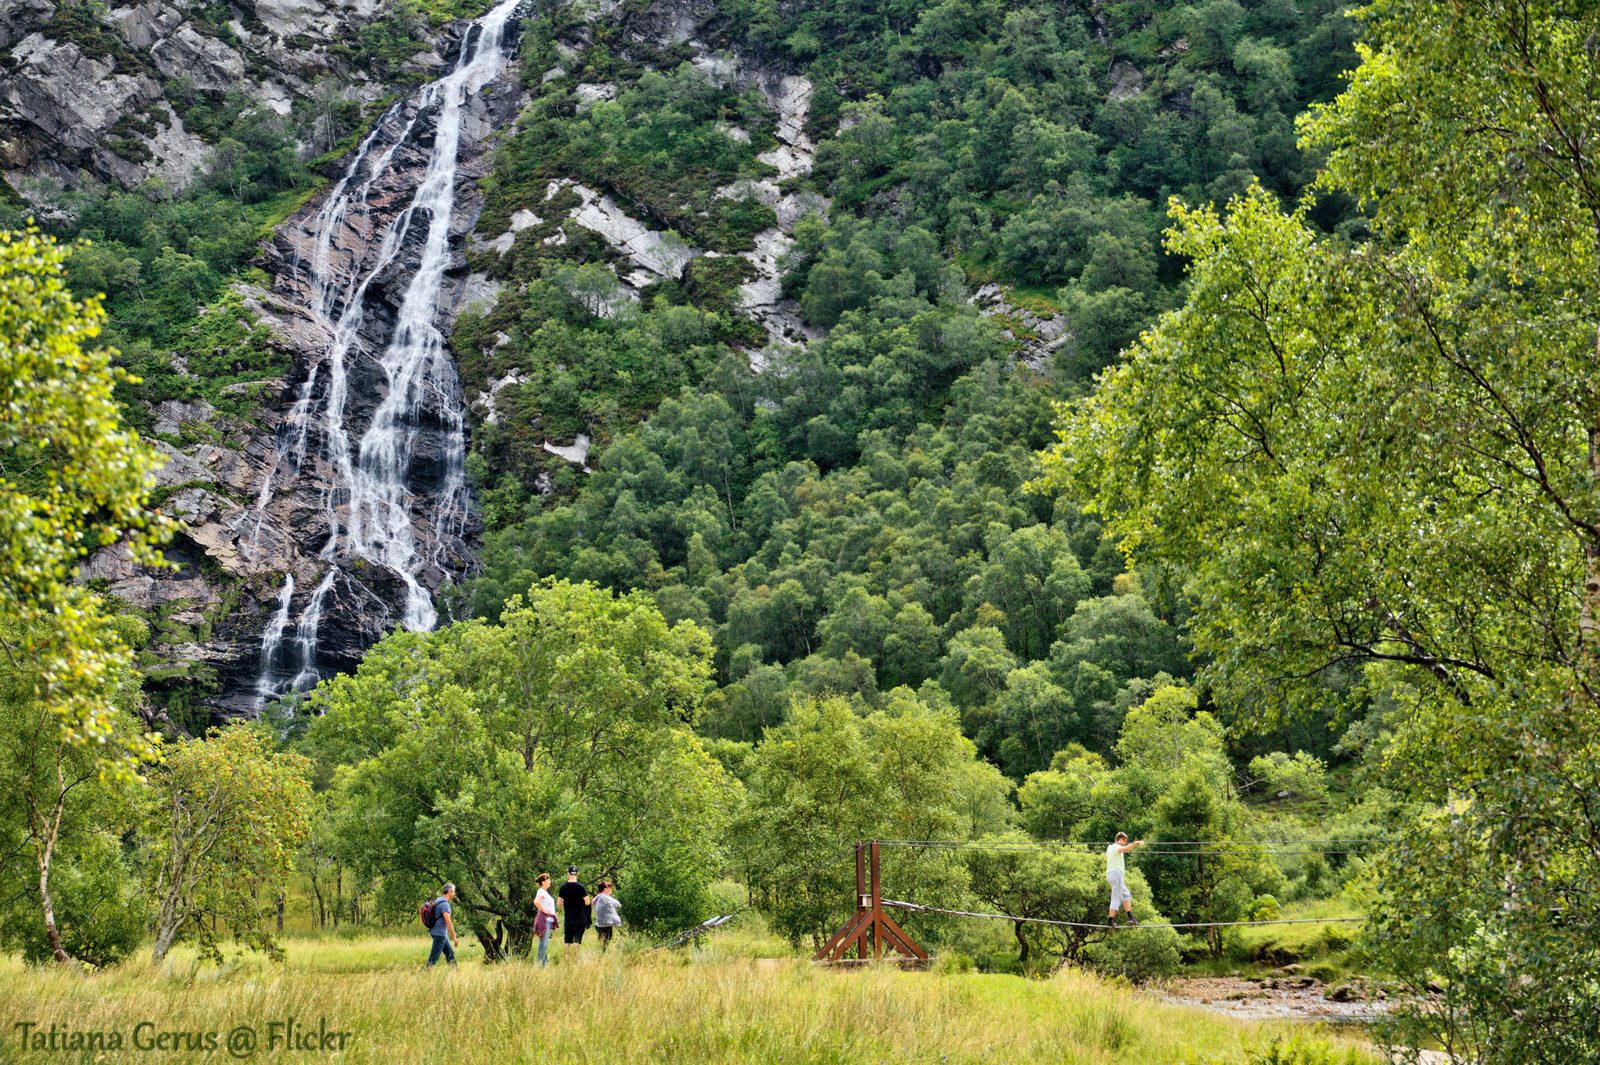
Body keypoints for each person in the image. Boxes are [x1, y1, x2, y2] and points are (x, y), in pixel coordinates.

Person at [1106, 833, 1146, 927]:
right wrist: (1137, 843)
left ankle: (1130, 916)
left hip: (1111, 874)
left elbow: (1109, 856)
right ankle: (1110, 920)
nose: (1125, 843)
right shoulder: (1116, 847)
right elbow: (1125, 848)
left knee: (1126, 895)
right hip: (1116, 874)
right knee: (1116, 897)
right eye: (1125, 841)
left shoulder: (1109, 848)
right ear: (1122, 839)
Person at [557, 865, 591, 958]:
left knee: (567, 940)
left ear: (568, 873)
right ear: (577, 874)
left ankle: (566, 959)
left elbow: (559, 903)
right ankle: (575, 959)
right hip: (579, 917)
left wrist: (566, 902)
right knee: (577, 939)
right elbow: (587, 902)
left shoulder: (563, 886)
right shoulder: (581, 887)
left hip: (568, 917)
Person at [428, 882, 459, 967]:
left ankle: (455, 973)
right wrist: (454, 937)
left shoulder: (438, 900)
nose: (454, 893)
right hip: (439, 933)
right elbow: (448, 921)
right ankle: (428, 974)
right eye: (454, 891)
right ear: (450, 891)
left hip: (437, 932)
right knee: (434, 956)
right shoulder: (445, 904)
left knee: (449, 952)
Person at [534, 872, 557, 966]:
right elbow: (536, 901)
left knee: (545, 942)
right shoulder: (541, 891)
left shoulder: (545, 892)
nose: (549, 881)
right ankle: (540, 964)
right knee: (543, 942)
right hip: (544, 919)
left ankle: (544, 963)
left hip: (548, 919)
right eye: (548, 880)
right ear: (543, 882)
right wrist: (544, 910)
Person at [592, 880, 621, 951]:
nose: (611, 889)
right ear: (605, 889)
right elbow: (617, 903)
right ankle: (600, 957)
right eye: (610, 887)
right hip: (604, 925)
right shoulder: (603, 896)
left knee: (602, 943)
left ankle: (599, 956)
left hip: (601, 924)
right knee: (604, 944)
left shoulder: (599, 897)